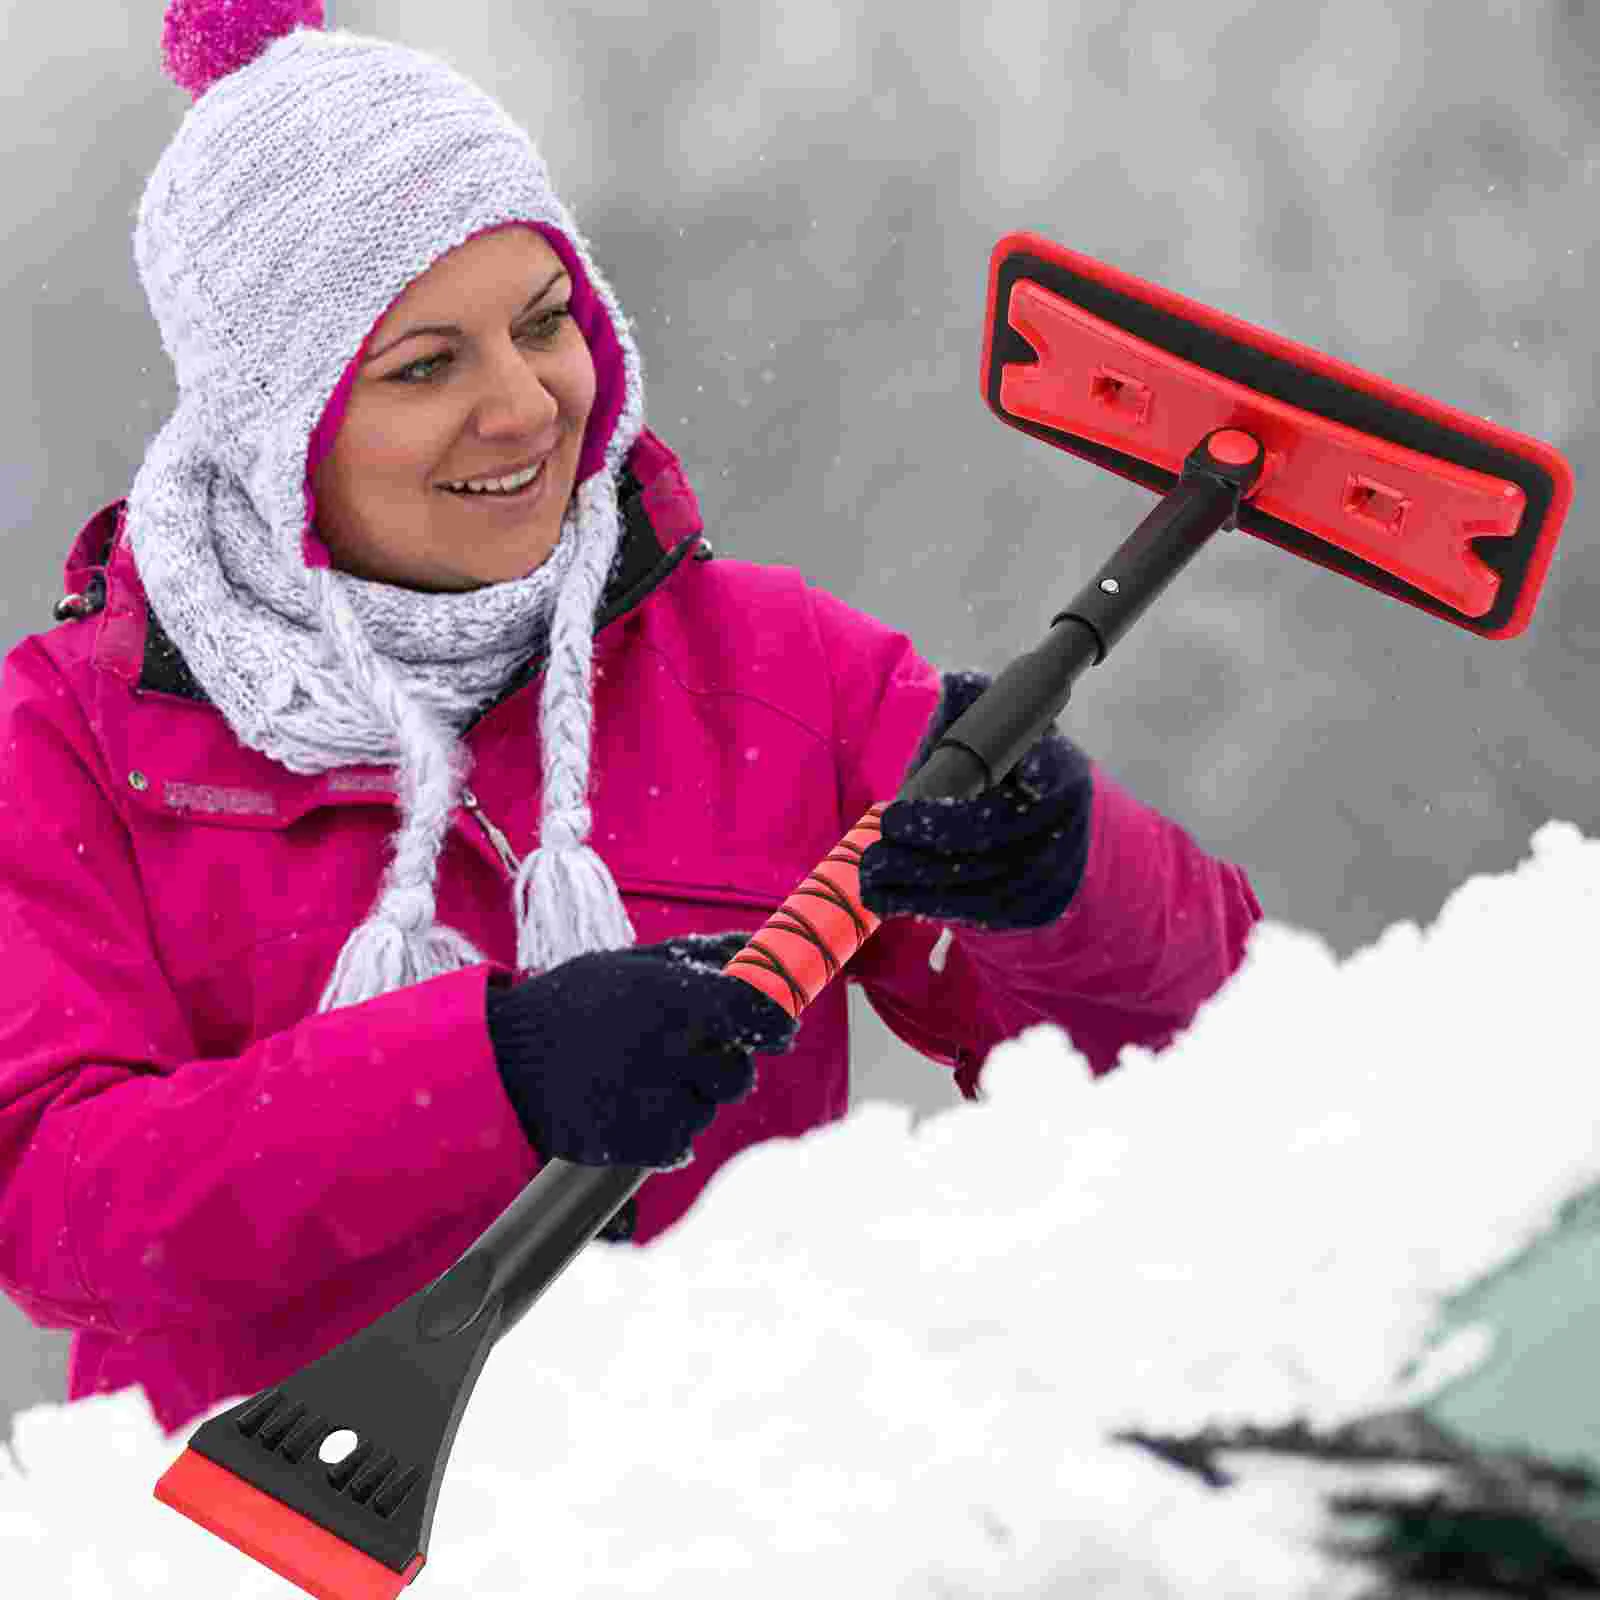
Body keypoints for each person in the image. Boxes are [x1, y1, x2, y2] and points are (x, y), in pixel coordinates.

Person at [0, 0, 1263, 1442]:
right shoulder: (71, 743)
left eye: (546, 325)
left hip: (725, 1516)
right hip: (272, 1537)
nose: (524, 405)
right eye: (426, 365)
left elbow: (1211, 1071)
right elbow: (60, 1200)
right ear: (274, 424)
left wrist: (1066, 882)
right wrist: (495, 1077)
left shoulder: (777, 669)